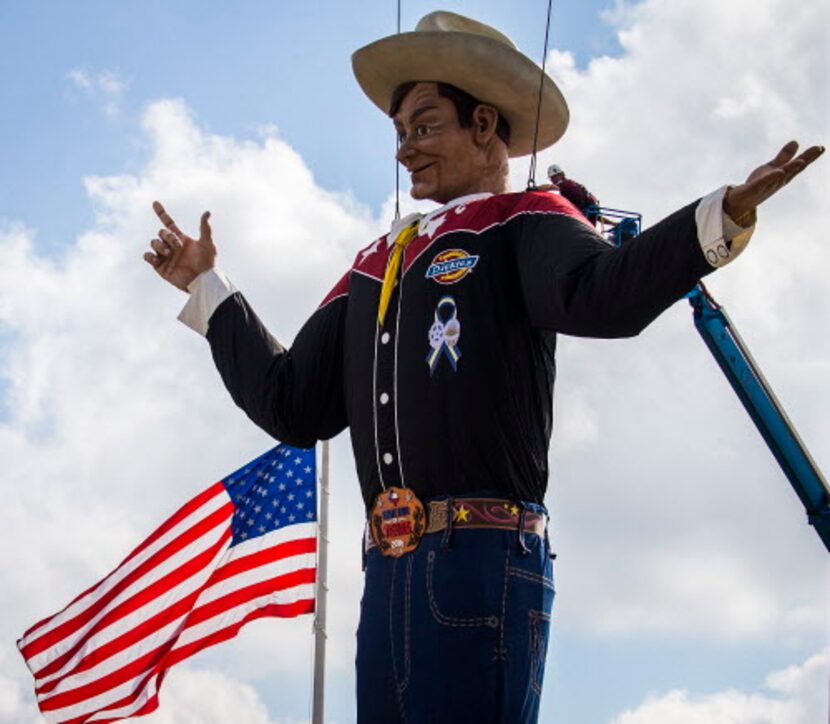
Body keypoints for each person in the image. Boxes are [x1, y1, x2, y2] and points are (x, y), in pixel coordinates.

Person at [142, 11, 823, 724]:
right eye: (400, 131)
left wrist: (721, 216)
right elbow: (292, 404)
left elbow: (602, 297)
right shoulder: (374, 265)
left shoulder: (525, 218)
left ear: (485, 124)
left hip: (483, 564)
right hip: (388, 572)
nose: (406, 149)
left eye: (425, 125)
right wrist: (206, 289)